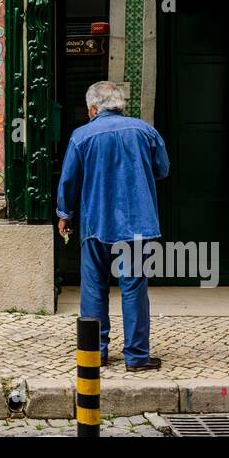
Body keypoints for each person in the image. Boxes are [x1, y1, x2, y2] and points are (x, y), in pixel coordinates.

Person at [56, 80, 169, 372]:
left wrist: (64, 214)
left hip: (96, 222)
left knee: (93, 288)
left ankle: (96, 353)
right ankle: (137, 357)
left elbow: (69, 181)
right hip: (136, 223)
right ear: (120, 105)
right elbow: (162, 169)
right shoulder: (145, 131)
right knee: (134, 289)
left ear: (93, 109)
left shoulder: (81, 136)